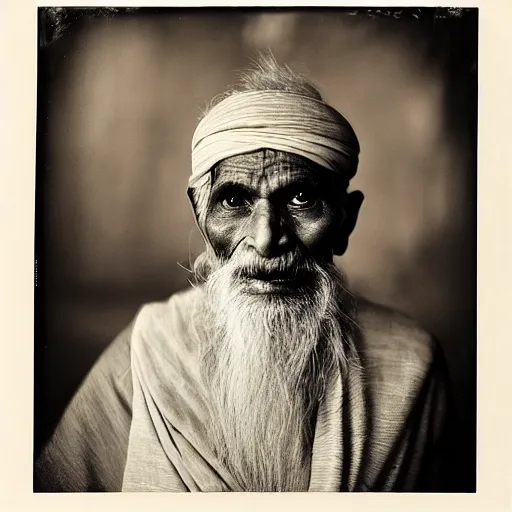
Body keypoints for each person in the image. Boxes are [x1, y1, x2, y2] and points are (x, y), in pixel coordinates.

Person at [35, 55, 455, 492]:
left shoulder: (411, 364)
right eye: (234, 201)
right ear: (201, 217)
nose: (267, 239)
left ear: (346, 221)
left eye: (301, 199)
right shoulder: (149, 350)